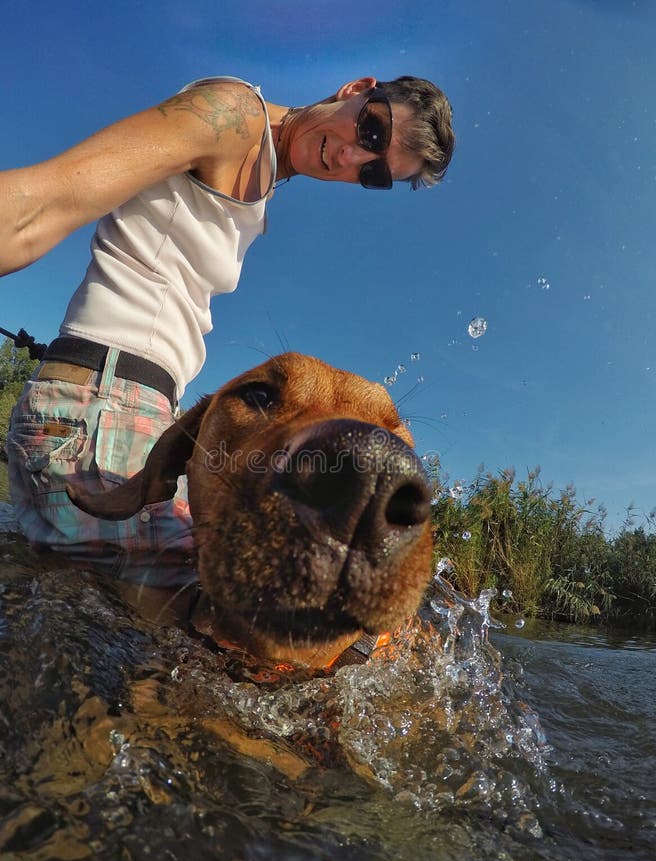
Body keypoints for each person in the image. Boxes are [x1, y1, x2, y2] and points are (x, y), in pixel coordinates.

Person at [1, 74, 455, 601]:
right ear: (357, 89)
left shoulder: (258, 174)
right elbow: (42, 204)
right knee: (235, 602)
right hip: (100, 408)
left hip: (131, 412)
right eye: (372, 132)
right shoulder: (234, 115)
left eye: (375, 173)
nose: (353, 157)